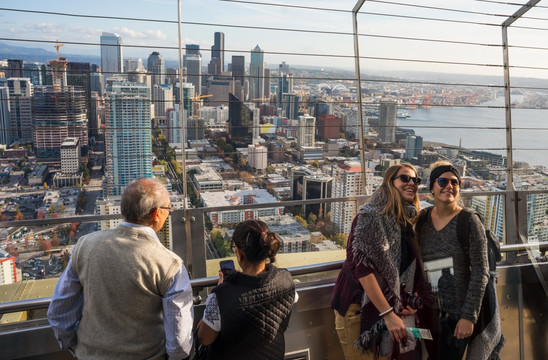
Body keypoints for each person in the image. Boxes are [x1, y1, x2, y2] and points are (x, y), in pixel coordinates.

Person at [47, 178, 194, 359]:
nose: (169, 213)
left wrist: (78, 349)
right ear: (156, 214)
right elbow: (180, 343)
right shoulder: (170, 265)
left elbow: (59, 313)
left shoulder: (85, 246)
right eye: (168, 209)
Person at [331, 163, 428, 359]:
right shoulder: (370, 216)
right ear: (389, 183)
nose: (412, 184)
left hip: (386, 310)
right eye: (405, 178)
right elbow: (363, 270)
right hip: (358, 308)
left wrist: (407, 301)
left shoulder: (406, 220)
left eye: (415, 180)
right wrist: (388, 314)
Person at [416, 161, 503, 359]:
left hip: (457, 315)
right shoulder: (423, 219)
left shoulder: (468, 221)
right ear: (432, 188)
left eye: (454, 182)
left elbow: (481, 272)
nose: (449, 186)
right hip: (429, 311)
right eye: (442, 181)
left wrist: (468, 317)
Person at [197, 220, 295, 360]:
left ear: (239, 253)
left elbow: (204, 338)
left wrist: (222, 290)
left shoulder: (222, 295)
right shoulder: (286, 280)